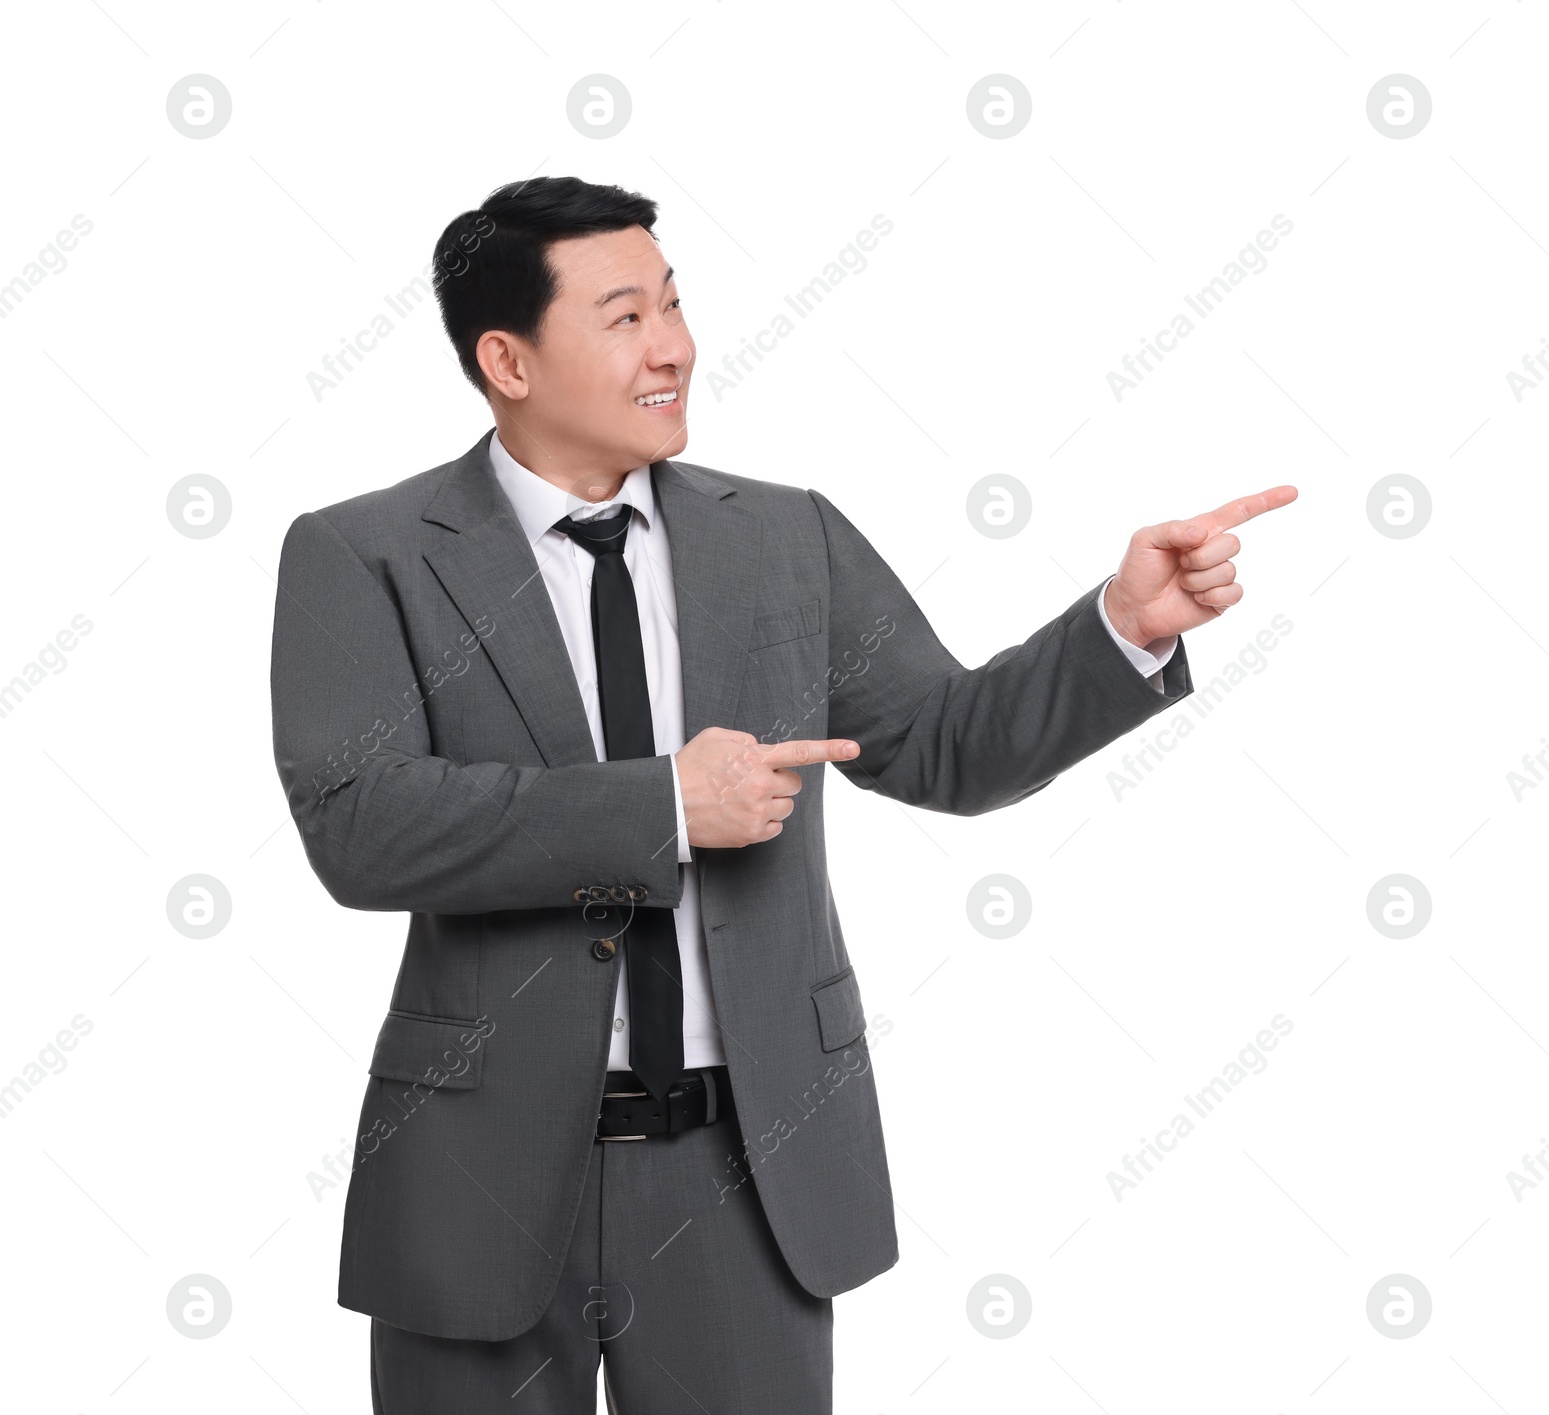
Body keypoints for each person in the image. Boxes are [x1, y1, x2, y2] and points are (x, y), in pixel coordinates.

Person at [268, 174, 1295, 1413]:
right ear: (508, 359)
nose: (675, 347)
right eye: (625, 316)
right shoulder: (361, 551)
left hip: (745, 1174)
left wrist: (1118, 631)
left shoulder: (784, 538)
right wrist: (661, 806)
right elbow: (360, 824)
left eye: (675, 303)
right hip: (478, 1175)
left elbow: (941, 744)